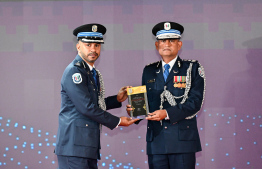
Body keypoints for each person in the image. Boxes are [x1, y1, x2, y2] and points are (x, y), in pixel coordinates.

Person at [55, 23, 138, 169]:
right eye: (88, 45)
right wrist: (118, 121)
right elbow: (86, 107)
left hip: (85, 147)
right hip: (74, 148)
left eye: (97, 45)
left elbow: (93, 103)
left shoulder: (90, 72)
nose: (93, 49)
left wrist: (117, 99)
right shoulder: (75, 72)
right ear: (78, 46)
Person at [127, 21, 206, 169]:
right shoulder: (149, 70)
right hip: (156, 142)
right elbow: (146, 103)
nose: (167, 44)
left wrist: (167, 113)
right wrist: (135, 112)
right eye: (162, 40)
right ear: (157, 45)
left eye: (172, 40)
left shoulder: (192, 68)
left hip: (182, 142)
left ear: (179, 44)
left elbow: (195, 103)